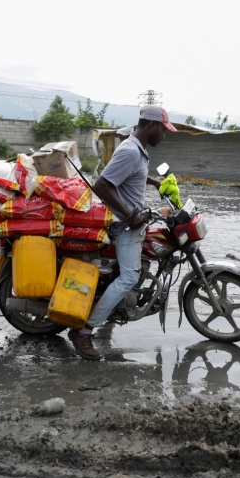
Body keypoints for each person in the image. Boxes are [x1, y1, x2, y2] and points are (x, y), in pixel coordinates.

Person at [66, 106, 177, 360]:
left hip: (130, 222)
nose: (164, 135)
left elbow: (131, 176)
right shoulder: (130, 150)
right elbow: (102, 185)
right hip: (124, 227)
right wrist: (129, 215)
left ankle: (109, 312)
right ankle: (83, 332)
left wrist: (154, 182)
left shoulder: (138, 150)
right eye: (162, 129)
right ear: (151, 125)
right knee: (129, 277)